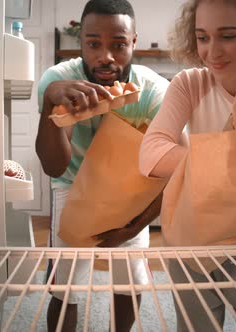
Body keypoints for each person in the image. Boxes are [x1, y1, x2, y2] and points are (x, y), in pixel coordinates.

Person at [35, 0, 169, 330]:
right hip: (71, 183)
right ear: (80, 42)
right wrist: (52, 101)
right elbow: (54, 166)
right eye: (94, 44)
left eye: (119, 45)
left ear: (134, 42)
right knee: (65, 287)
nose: (106, 56)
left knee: (130, 281)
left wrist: (136, 226)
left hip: (130, 191)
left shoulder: (154, 92)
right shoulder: (57, 82)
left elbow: (172, 171)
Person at [139, 0, 236, 330]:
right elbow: (151, 154)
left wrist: (208, 162)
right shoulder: (191, 83)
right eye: (202, 37)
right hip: (192, 239)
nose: (212, 52)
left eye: (228, 36)